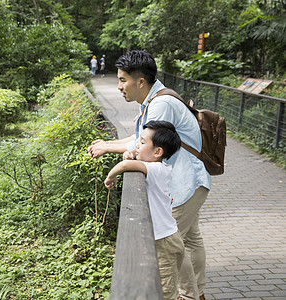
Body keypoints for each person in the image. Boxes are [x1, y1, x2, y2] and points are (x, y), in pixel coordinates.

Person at [88, 50, 210, 300]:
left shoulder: (161, 104)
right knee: (190, 241)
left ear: (140, 81)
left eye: (123, 80)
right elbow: (140, 140)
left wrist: (106, 147)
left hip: (185, 184)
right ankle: (196, 293)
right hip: (190, 181)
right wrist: (109, 144)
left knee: (173, 244)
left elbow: (143, 145)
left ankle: (188, 295)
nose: (119, 86)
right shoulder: (154, 101)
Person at [105, 120, 185, 300]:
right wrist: (134, 153)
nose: (137, 145)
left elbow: (125, 166)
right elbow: (133, 160)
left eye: (141, 142)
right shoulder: (160, 166)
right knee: (166, 288)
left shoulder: (156, 169)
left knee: (165, 293)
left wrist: (111, 177)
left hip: (164, 242)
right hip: (166, 237)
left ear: (158, 152)